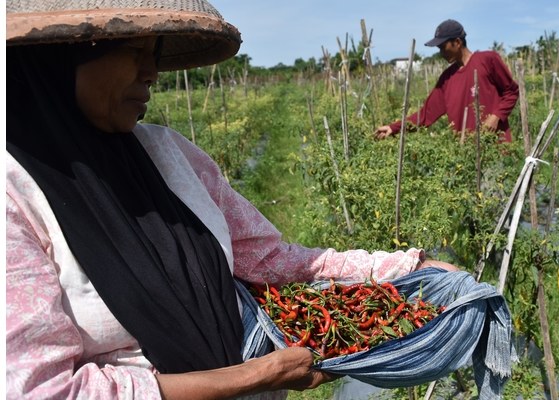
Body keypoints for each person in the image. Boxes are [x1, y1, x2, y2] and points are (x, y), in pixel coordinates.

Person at [6, 1, 459, 399]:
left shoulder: (169, 155)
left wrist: (409, 270)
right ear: (59, 59)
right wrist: (252, 376)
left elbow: (271, 259)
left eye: (154, 54)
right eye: (133, 52)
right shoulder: (14, 198)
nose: (151, 72)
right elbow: (42, 390)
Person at [374, 19, 519, 143]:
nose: (441, 53)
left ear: (457, 42)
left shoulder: (487, 60)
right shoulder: (447, 78)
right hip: (466, 154)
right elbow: (425, 115)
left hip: (495, 147)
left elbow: (511, 92)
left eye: (443, 47)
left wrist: (496, 116)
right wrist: (394, 128)